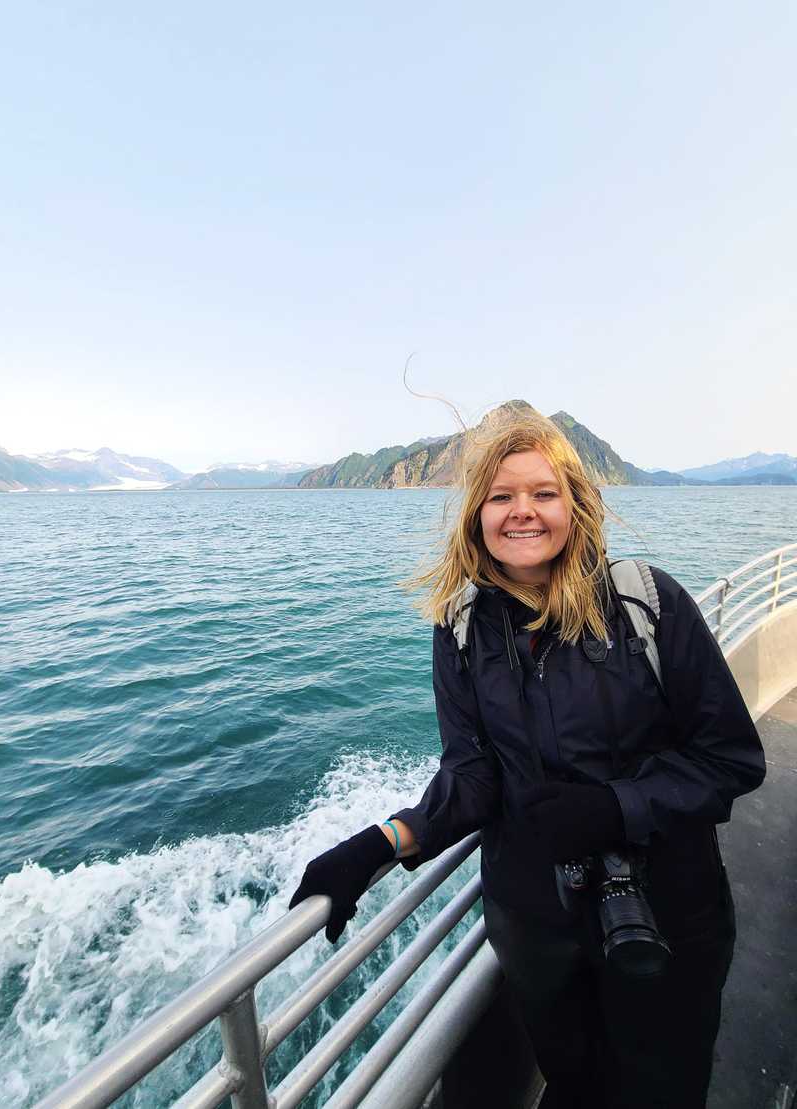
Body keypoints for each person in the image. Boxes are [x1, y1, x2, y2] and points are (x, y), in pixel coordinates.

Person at [289, 411, 766, 1109]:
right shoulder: (458, 629)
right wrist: (381, 844)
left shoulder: (648, 604)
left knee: (665, 1089)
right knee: (574, 1085)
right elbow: (471, 776)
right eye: (502, 495)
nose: (523, 512)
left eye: (543, 493)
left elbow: (731, 758)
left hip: (667, 915)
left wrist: (615, 807)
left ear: (575, 504)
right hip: (537, 928)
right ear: (477, 512)